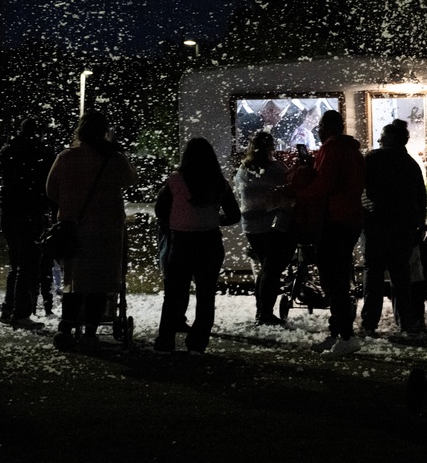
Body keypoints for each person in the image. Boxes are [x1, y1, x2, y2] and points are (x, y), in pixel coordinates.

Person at [47, 110, 136, 349]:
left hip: (73, 228)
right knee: (100, 281)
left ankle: (66, 328)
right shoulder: (114, 158)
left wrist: (69, 202)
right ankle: (90, 332)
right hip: (107, 228)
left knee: (74, 280)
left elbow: (50, 190)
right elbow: (130, 181)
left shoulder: (66, 157)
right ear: (104, 131)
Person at [154, 137, 240, 354]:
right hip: (209, 242)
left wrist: (175, 221)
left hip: (181, 242)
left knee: (174, 295)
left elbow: (160, 210)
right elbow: (234, 215)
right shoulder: (219, 182)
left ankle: (165, 341)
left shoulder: (175, 181)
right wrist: (214, 218)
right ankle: (197, 344)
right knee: (206, 295)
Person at [291, 110, 365, 357]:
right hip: (351, 218)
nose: (318, 130)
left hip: (334, 219)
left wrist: (297, 192)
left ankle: (345, 335)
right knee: (340, 276)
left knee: (333, 279)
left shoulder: (331, 149)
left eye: (320, 125)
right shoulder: (353, 150)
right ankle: (338, 333)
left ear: (326, 127)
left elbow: (323, 184)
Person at [360, 119, 427, 337]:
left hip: (377, 223)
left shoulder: (373, 159)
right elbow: (420, 199)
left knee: (374, 273)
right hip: (404, 226)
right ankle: (406, 321)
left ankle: (370, 322)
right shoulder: (411, 164)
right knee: (401, 274)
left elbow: (360, 187)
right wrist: (419, 225)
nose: (378, 139)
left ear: (390, 138)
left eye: (382, 136)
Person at [0, 118, 55, 328]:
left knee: (15, 262)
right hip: (31, 211)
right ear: (38, 133)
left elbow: (2, 177)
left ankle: (8, 307)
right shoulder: (42, 152)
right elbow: (49, 184)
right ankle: (20, 313)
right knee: (29, 263)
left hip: (9, 210)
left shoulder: (7, 150)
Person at [233, 130, 294, 326]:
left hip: (251, 226)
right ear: (270, 147)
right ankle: (265, 314)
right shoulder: (276, 169)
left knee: (266, 269)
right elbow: (289, 190)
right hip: (273, 225)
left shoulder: (243, 170)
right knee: (272, 270)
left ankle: (262, 311)